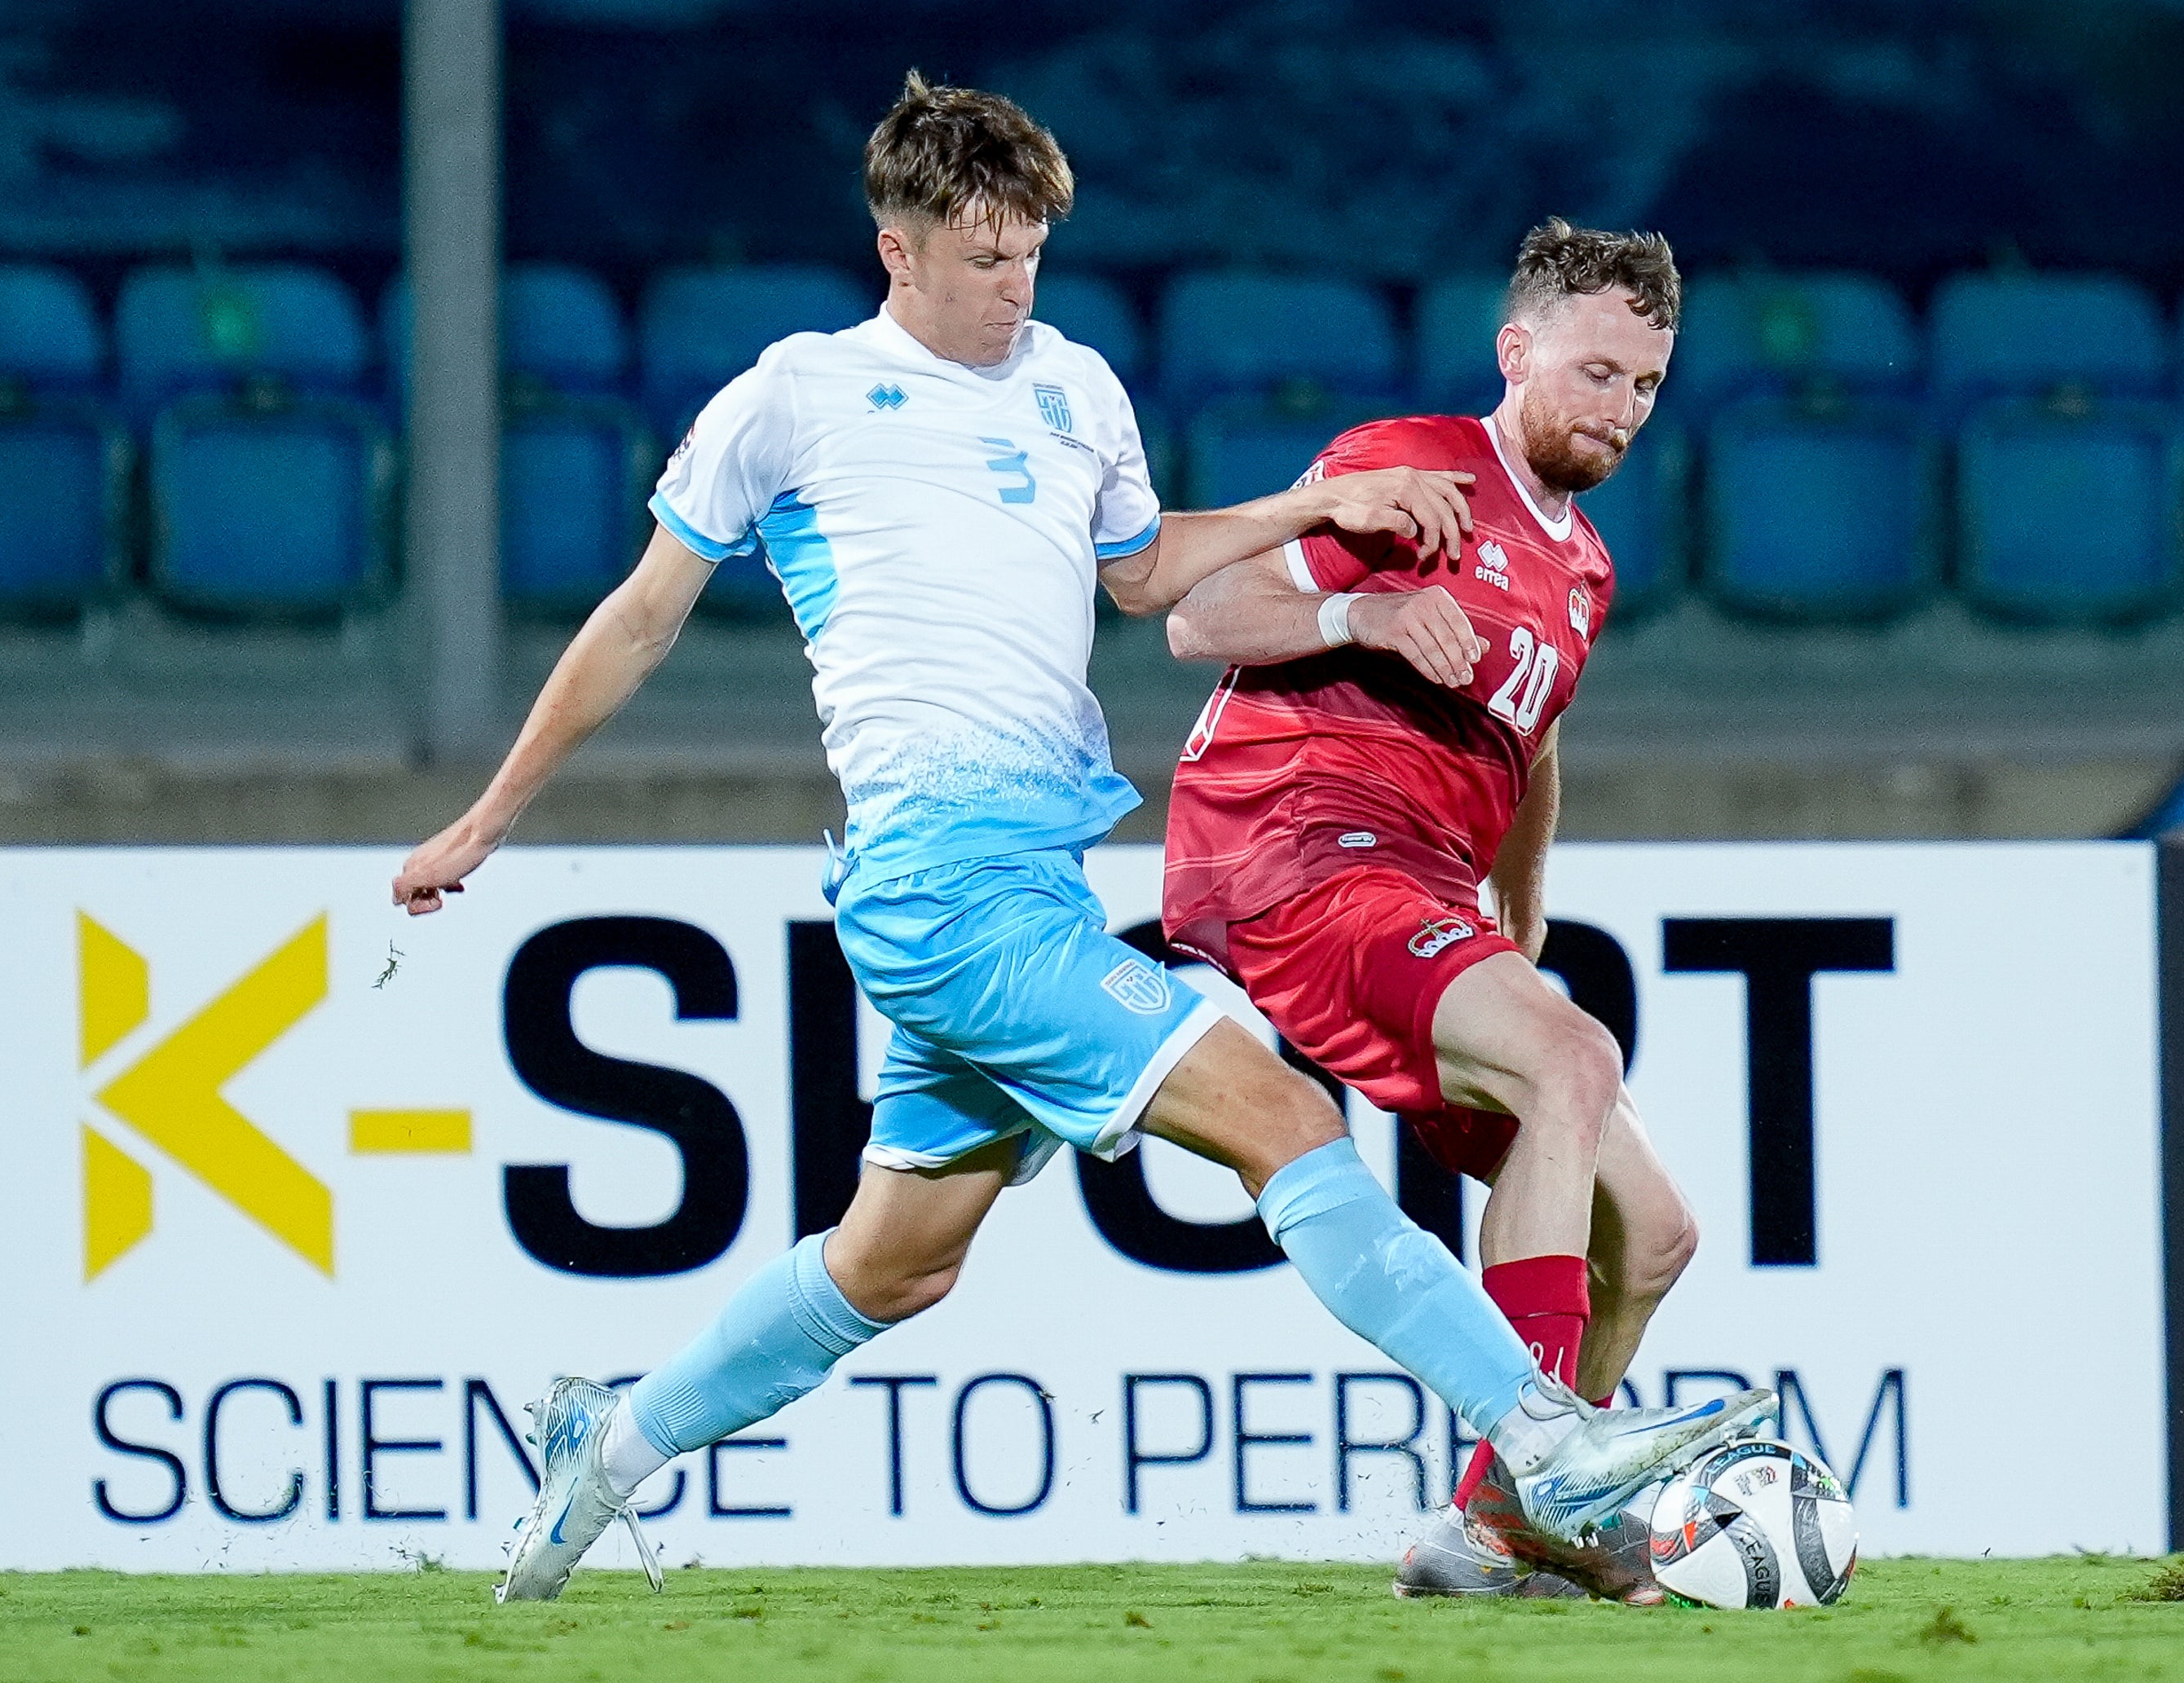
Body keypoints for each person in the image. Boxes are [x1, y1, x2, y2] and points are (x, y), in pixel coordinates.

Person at [391, 80, 1767, 1604]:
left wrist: (1317, 506)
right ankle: (1543, 1445)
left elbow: (1143, 577)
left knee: (896, 1261)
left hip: (1036, 878)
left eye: (1033, 253)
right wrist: (488, 815)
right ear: (894, 248)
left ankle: (614, 1440)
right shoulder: (794, 394)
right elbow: (639, 617)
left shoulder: (1073, 387)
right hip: (935, 883)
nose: (1013, 288)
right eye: (983, 259)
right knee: (1287, 1125)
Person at [1159, 218, 1710, 1601]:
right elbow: (1196, 615)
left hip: (1417, 884)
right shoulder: (1414, 470)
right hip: (1299, 848)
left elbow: (1534, 741)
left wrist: (1521, 906)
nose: (1620, 411)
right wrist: (1365, 620)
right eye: (1594, 374)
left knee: (1649, 1231)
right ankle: (1526, 1488)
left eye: (1644, 387)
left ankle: (1513, 1518)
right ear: (1516, 350)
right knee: (1574, 1058)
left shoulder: (1582, 566)